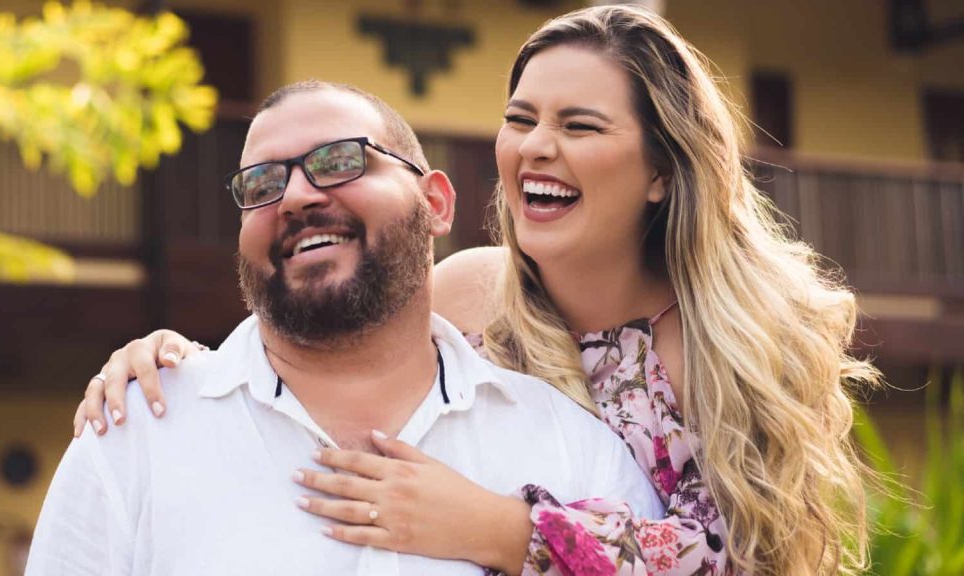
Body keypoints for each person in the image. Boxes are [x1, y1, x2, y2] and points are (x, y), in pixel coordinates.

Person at [75, 6, 882, 575]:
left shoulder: (731, 342)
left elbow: (739, 564)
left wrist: (502, 530)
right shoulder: (471, 291)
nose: (535, 148)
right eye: (521, 119)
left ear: (662, 172)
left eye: (579, 125)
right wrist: (176, 360)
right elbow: (331, 339)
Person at [26, 80, 663, 575]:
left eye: (339, 161)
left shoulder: (572, 449)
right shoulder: (135, 437)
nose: (295, 196)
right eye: (262, 183)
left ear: (435, 203)